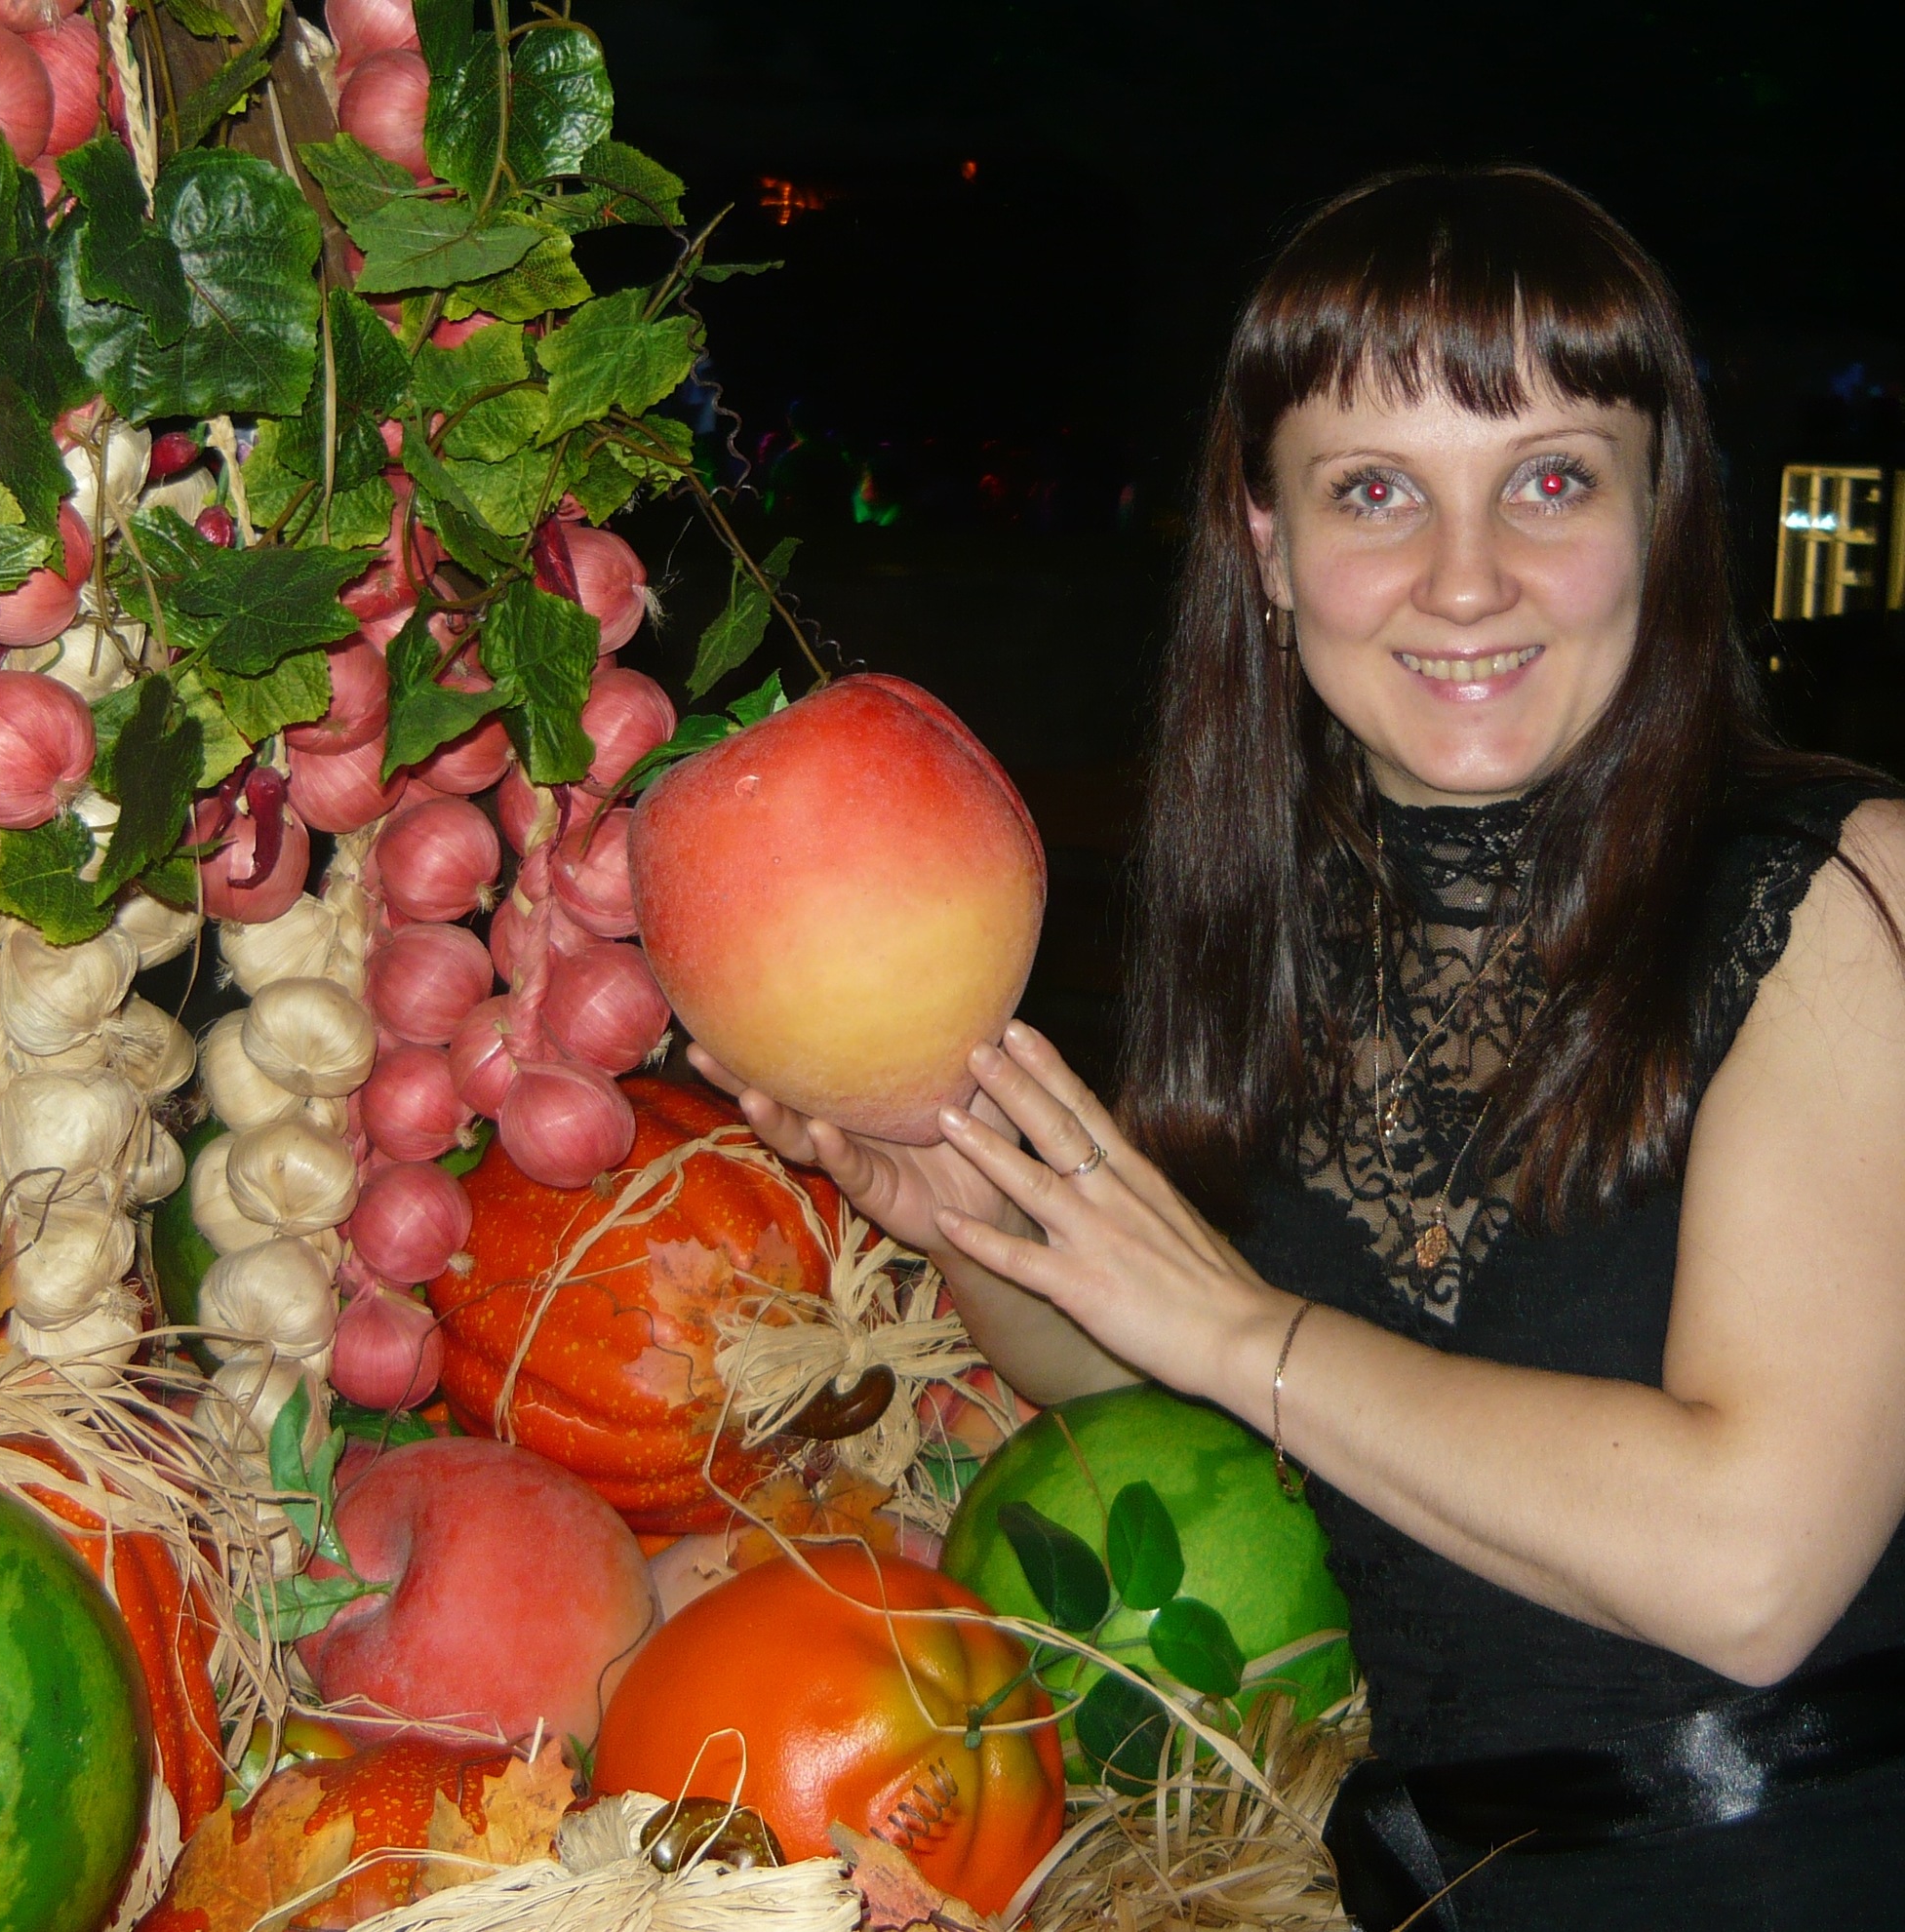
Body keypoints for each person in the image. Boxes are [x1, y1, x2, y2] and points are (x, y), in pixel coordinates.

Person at [694, 167, 1905, 1928]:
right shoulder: (1281, 934)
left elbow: (1753, 1569)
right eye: (1376, 491)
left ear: (1659, 516)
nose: (1467, 580)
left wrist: (1243, 1330)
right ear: (1269, 547)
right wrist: (975, 1212)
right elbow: (1178, 1393)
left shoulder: (1835, 891)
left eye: (1551, 479)